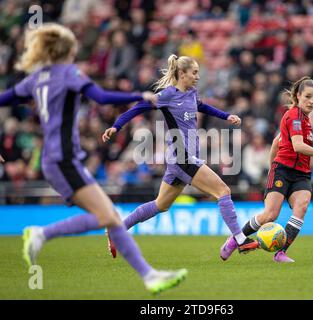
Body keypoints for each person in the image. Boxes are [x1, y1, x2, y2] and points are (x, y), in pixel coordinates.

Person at [0, 23, 187, 294]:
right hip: (63, 159)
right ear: (69, 49)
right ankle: (41, 234)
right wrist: (139, 95)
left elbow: (4, 98)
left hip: (57, 160)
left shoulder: (36, 78)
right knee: (106, 216)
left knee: (110, 217)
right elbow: (100, 97)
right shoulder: (68, 73)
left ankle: (149, 276)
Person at [102, 54, 259, 258]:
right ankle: (240, 239)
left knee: (161, 205)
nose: (197, 77)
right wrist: (116, 126)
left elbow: (202, 106)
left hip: (182, 160)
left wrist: (226, 115)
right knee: (223, 190)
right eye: (194, 73)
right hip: (182, 158)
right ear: (181, 73)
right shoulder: (167, 96)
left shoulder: (192, 93)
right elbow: (138, 108)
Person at [220, 76, 313, 262]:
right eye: (308, 97)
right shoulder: (294, 115)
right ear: (298, 95)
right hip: (283, 170)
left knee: (301, 207)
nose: (311, 101)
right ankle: (234, 240)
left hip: (301, 173)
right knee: (270, 215)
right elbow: (298, 146)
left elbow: (276, 142)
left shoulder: (306, 120)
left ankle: (280, 253)